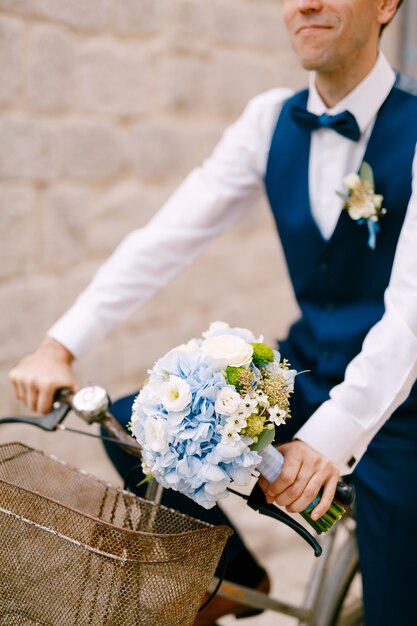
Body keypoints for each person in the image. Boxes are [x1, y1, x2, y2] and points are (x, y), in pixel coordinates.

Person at [9, 0, 415, 624]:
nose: (304, 4)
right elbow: (165, 239)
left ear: (386, 5)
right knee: (137, 424)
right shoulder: (267, 121)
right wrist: (60, 342)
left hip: (402, 405)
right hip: (306, 369)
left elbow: (411, 312)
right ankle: (227, 576)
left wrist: (331, 440)